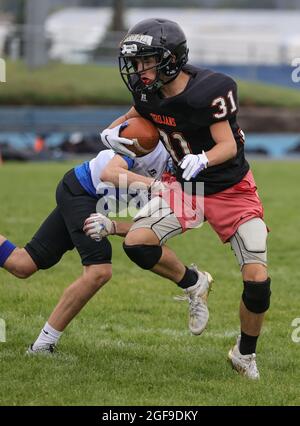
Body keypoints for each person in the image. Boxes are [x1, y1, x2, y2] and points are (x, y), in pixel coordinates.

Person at [96, 18, 270, 379]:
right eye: (136, 62)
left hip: (230, 187)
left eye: (146, 61)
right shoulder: (148, 93)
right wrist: (110, 134)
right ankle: (194, 283)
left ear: (171, 59)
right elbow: (130, 119)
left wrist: (203, 158)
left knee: (257, 281)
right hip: (186, 186)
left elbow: (227, 145)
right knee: (138, 244)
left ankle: (244, 355)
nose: (138, 70)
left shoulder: (209, 90)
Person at [0, 143, 170, 354]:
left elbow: (153, 228)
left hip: (91, 199)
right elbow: (111, 168)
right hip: (82, 191)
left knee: (22, 264)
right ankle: (42, 346)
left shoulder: (186, 174)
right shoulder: (151, 140)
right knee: (99, 270)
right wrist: (152, 184)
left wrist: (114, 226)